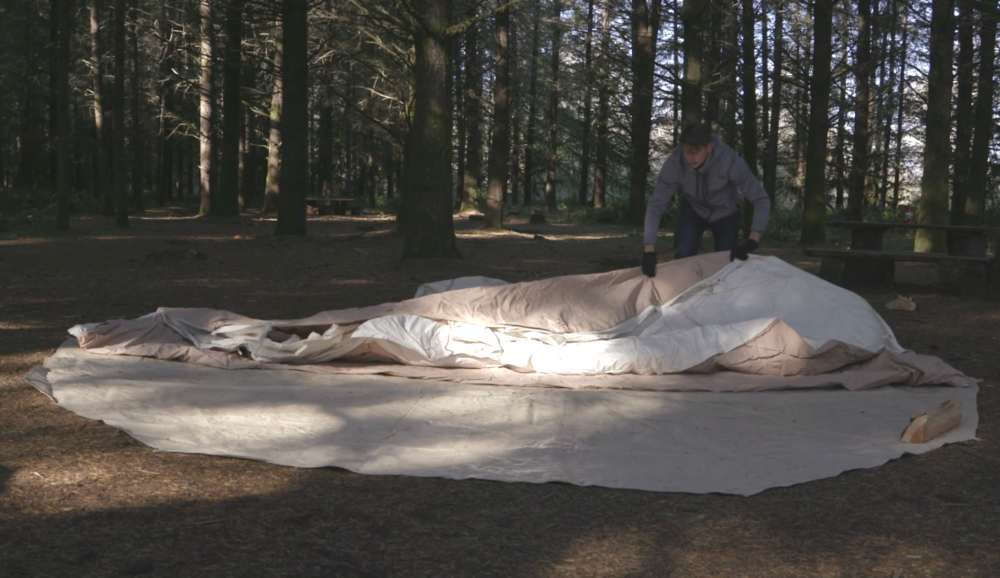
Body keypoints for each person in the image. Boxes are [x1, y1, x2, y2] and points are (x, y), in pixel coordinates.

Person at [642, 122, 771, 277]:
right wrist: (649, 250)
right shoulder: (675, 164)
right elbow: (656, 205)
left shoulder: (729, 161)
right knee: (684, 256)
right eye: (687, 152)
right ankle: (685, 297)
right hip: (693, 209)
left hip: (726, 212)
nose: (690, 158)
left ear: (709, 147)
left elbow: (761, 199)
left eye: (696, 152)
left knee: (726, 265)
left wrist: (752, 241)